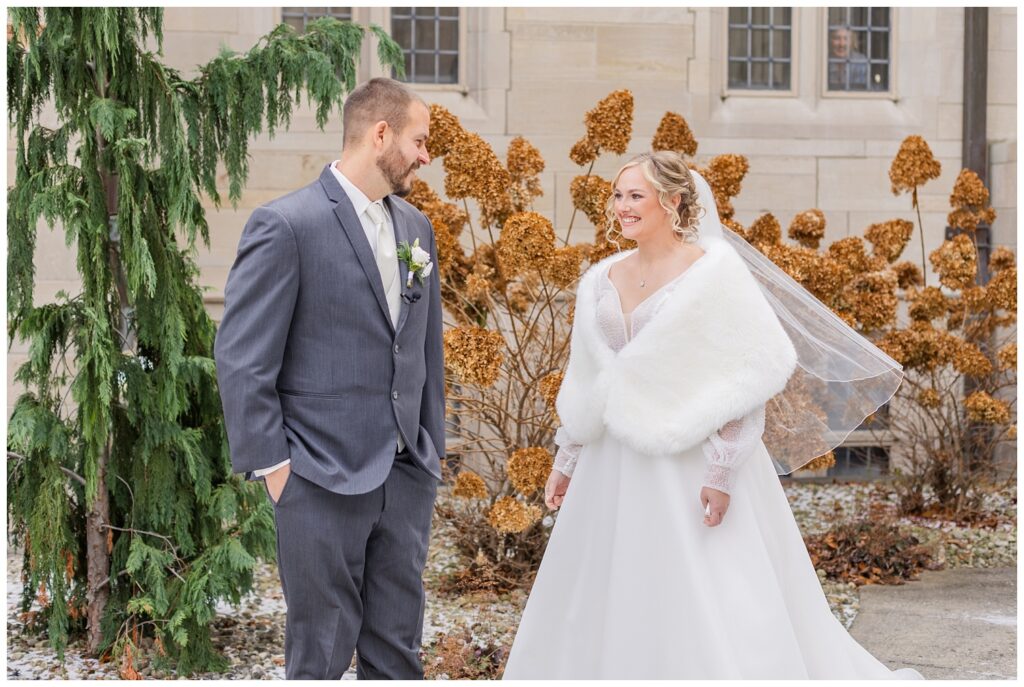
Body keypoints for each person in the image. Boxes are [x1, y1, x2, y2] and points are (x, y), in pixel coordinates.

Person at [500, 151, 922, 679]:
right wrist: (567, 457)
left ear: (672, 201)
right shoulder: (601, 278)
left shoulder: (714, 273)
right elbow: (587, 380)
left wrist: (722, 472)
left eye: (636, 195)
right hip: (611, 466)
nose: (622, 206)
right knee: (609, 583)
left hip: (686, 462)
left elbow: (748, 376)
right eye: (618, 194)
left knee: (699, 587)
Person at [215, 77, 445, 679]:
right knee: (318, 652)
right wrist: (277, 470)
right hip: (317, 477)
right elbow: (243, 358)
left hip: (403, 477)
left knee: (398, 650)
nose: (426, 156)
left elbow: (424, 354)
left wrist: (429, 454)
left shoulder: (417, 230)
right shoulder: (287, 225)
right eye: (419, 141)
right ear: (380, 134)